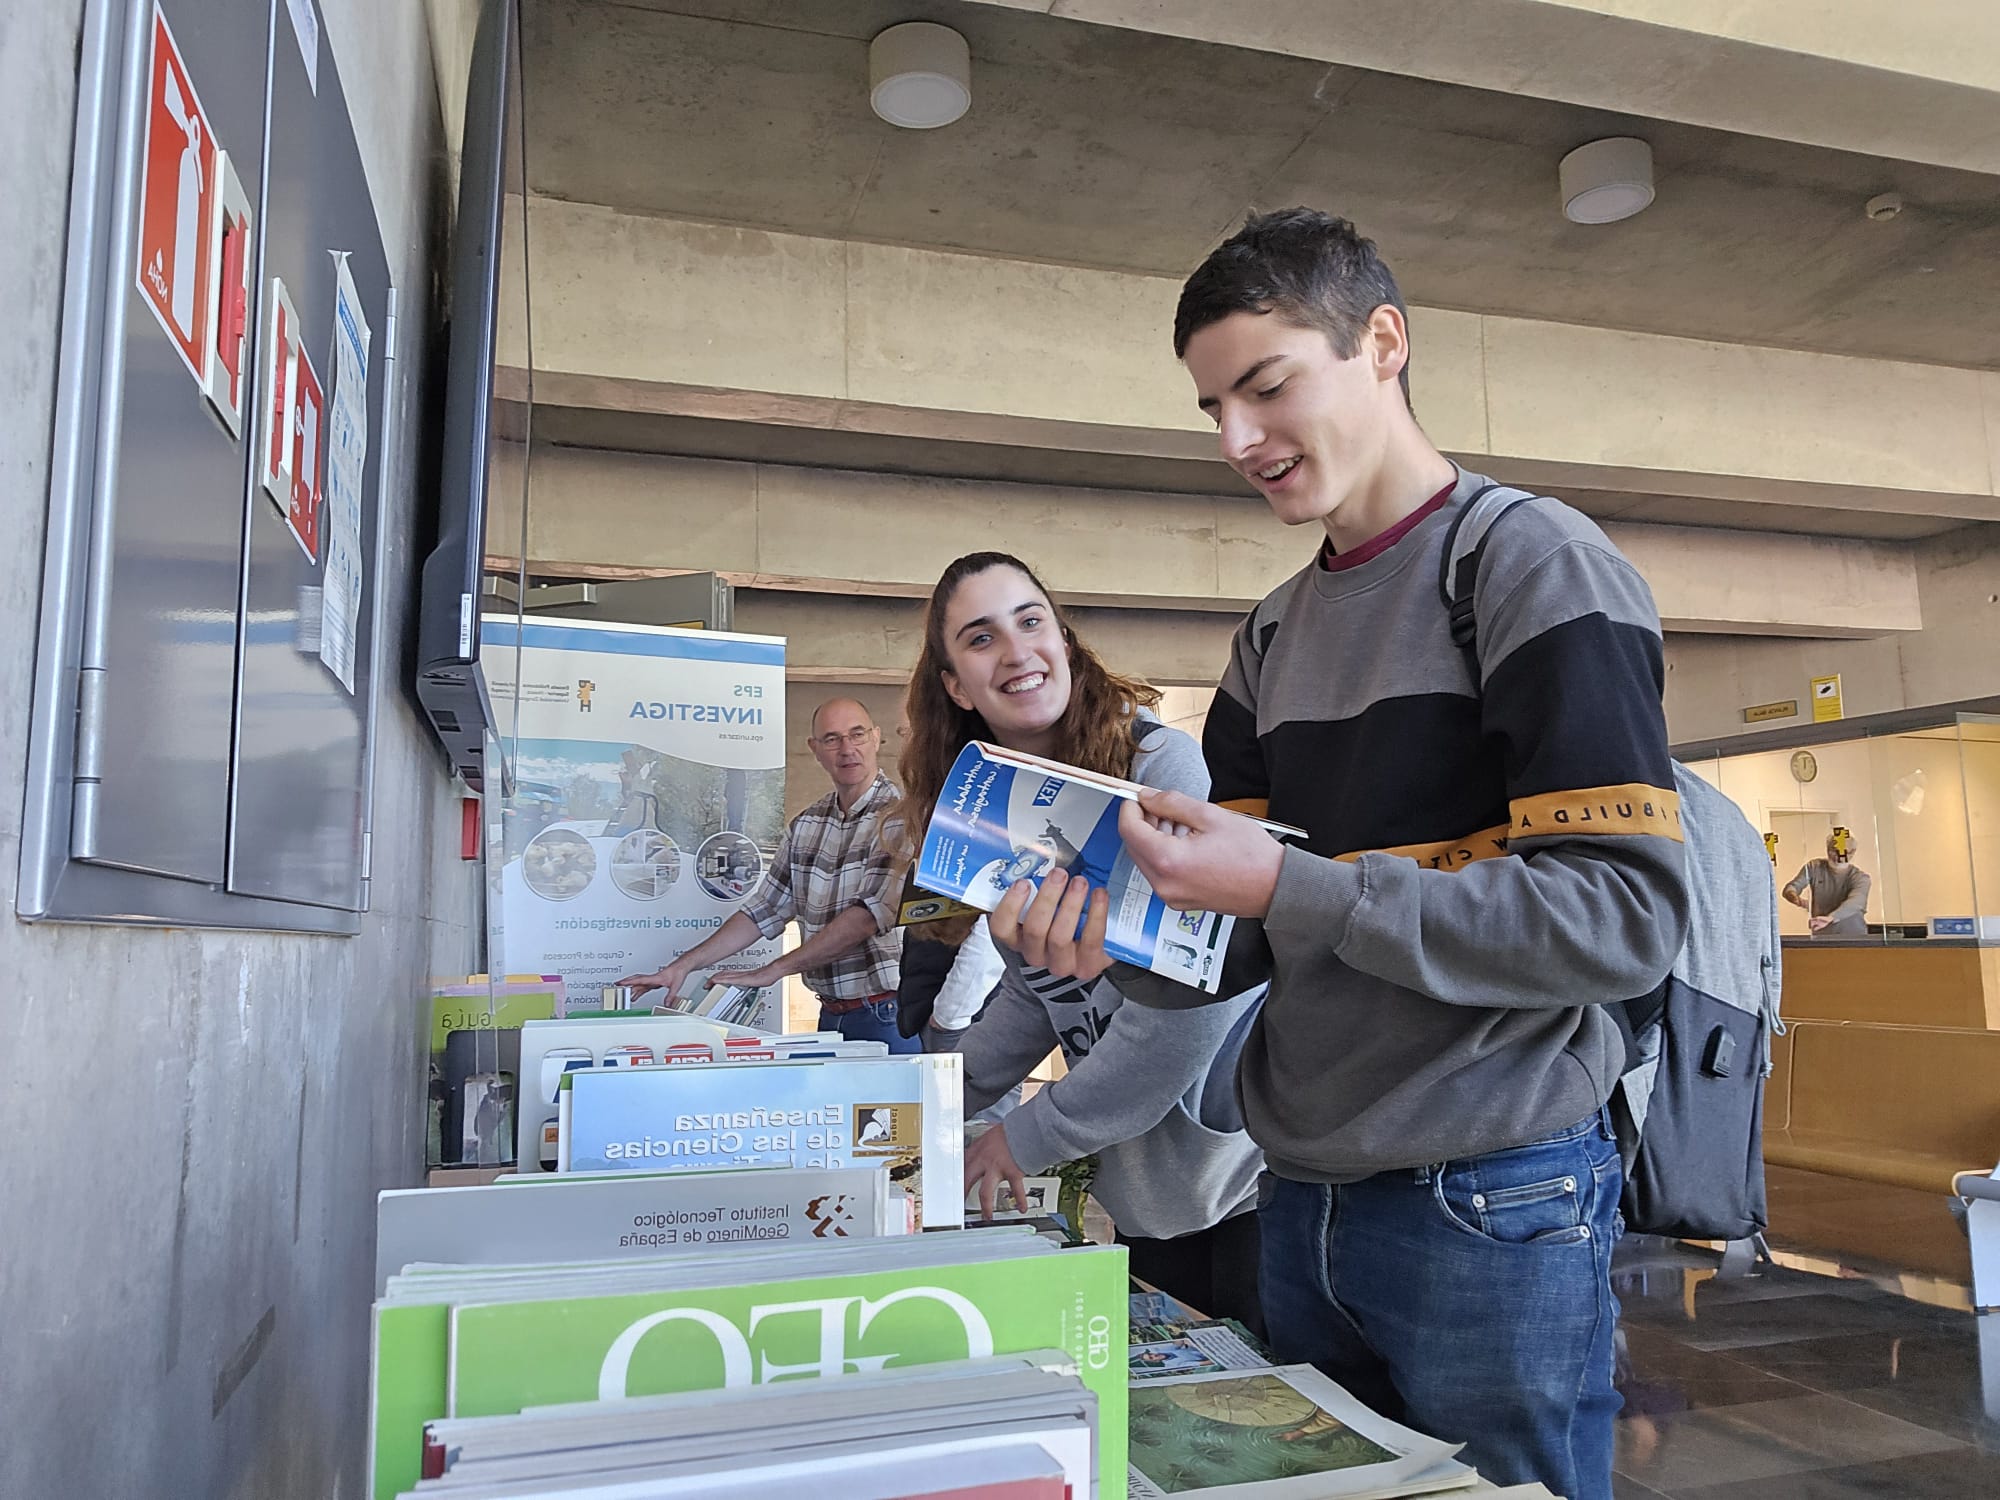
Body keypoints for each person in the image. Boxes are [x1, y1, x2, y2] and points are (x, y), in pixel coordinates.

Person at [1029, 210, 1691, 1500]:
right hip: (1301, 1193)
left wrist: (1286, 884)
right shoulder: (1269, 639)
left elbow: (1618, 917)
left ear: (1381, 342)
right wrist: (1107, 940)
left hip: (1492, 1198)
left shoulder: (1527, 565)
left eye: (1265, 386)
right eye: (1212, 404)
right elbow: (1235, 943)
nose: (1235, 440)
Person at [898, 551, 1266, 1330]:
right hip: (1138, 1180)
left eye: (1030, 622)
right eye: (981, 637)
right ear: (956, 686)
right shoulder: (985, 816)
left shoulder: (1161, 768)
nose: (1016, 650)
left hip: (1236, 1179)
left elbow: (1187, 1010)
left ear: (1064, 642)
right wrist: (918, 1111)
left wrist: (1027, 1136)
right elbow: (1037, 995)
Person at [617, 698, 917, 1052]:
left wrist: (771, 970)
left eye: (857, 734)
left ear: (877, 737)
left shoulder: (899, 819)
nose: (848, 749)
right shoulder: (807, 822)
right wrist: (681, 967)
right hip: (830, 1015)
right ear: (815, 749)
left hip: (887, 1015)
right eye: (832, 739)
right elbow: (763, 911)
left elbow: (865, 920)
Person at [1783, 831, 1870, 937]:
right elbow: (1792, 887)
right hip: (1822, 936)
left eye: (1845, 852)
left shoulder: (1860, 878)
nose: (1839, 856)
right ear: (1827, 849)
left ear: (1853, 852)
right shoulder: (1814, 867)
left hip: (1853, 936)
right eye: (1834, 850)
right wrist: (1794, 897)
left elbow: (1856, 902)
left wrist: (1831, 918)